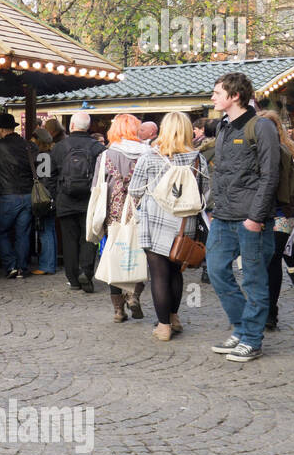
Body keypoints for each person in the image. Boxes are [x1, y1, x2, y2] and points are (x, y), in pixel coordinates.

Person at [206, 71, 280, 363]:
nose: (212, 97)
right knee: (216, 271)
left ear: (234, 95)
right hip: (223, 217)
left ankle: (252, 339)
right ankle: (240, 328)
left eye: (217, 92)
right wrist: (214, 209)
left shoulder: (261, 127)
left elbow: (269, 175)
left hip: (251, 219)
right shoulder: (223, 127)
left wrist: (256, 216)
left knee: (254, 280)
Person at [126, 112, 208, 341]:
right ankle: (174, 317)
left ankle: (163, 327)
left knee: (158, 274)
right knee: (175, 272)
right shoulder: (197, 158)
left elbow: (134, 190)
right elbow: (206, 193)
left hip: (154, 222)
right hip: (185, 224)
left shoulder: (150, 157)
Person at [256, 110, 294, 331]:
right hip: (257, 212)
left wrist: (279, 177)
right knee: (257, 261)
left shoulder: (291, 151)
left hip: (282, 211)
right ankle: (259, 308)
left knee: (273, 259)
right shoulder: (253, 150)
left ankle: (270, 311)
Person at [96, 113, 150, 322]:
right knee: (139, 255)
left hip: (114, 213)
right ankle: (134, 295)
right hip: (141, 211)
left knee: (114, 256)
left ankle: (118, 310)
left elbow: (96, 186)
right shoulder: (148, 153)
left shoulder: (106, 155)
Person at [50, 111, 105, 293]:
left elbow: (50, 176)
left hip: (65, 201)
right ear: (88, 127)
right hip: (90, 201)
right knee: (89, 238)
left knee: (69, 240)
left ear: (71, 126)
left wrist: (56, 195)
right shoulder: (98, 148)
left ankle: (73, 279)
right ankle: (86, 272)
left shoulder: (58, 147)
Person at [0, 112, 36, 279]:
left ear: (1, 129)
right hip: (27, 194)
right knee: (22, 233)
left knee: (2, 232)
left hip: (8, 195)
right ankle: (22, 268)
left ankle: (11, 266)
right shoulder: (28, 145)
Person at [29, 127, 57, 275]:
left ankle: (47, 265)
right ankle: (51, 262)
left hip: (43, 198)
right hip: (53, 196)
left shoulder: (40, 157)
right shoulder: (52, 154)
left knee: (45, 231)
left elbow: (41, 179)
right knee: (50, 229)